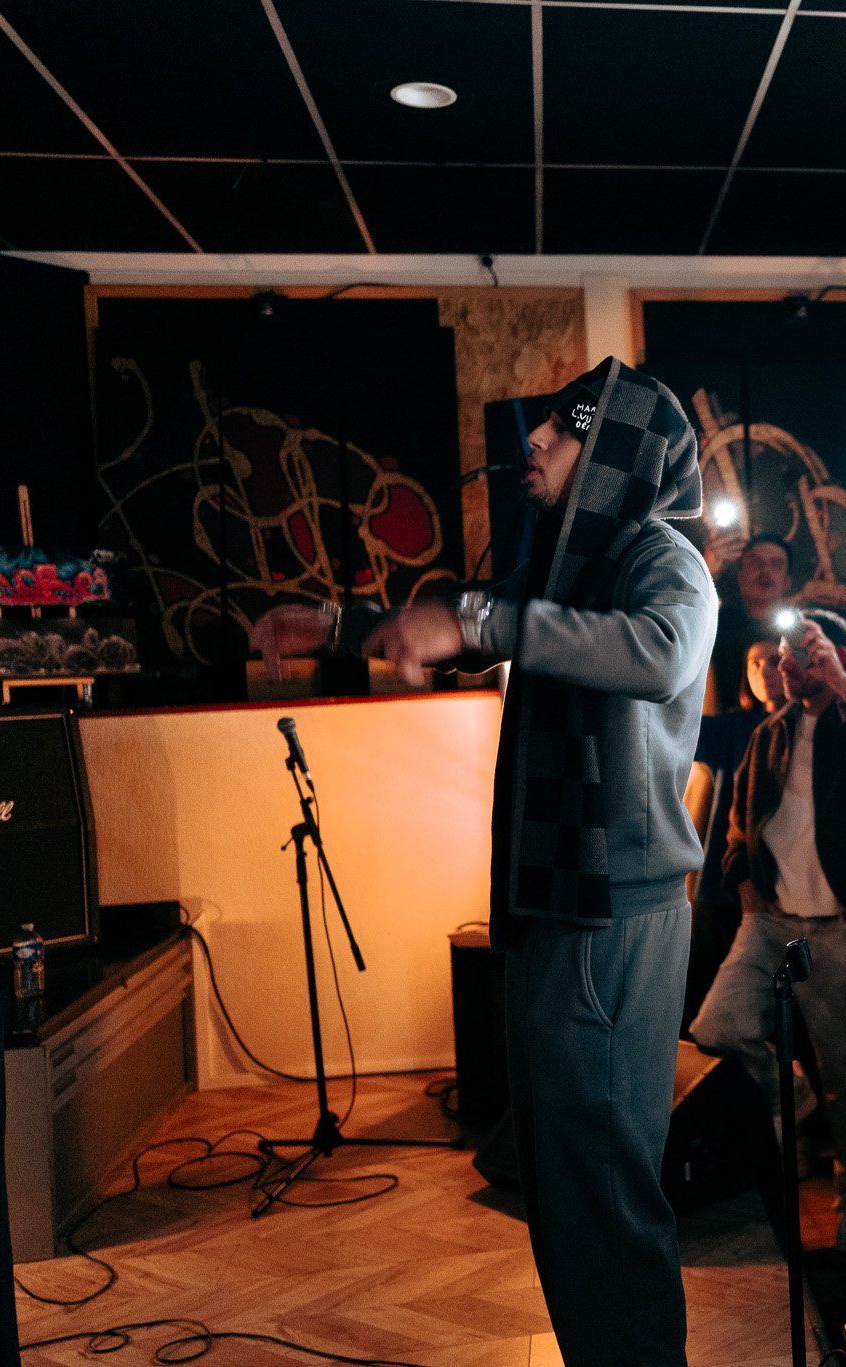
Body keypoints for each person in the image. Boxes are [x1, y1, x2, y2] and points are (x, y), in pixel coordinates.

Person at [251, 357, 715, 1367]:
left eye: (564, 430)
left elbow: (660, 652)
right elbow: (473, 619)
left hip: (610, 909)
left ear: (618, 457)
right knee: (561, 1178)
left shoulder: (661, 552)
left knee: (601, 1186)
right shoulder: (571, 561)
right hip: (564, 901)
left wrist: (478, 619)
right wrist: (341, 625)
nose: (534, 445)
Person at [689, 610, 846, 1253]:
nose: (782, 668)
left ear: (832, 654)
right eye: (779, 657)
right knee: (716, 1028)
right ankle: (796, 1093)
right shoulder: (770, 732)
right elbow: (737, 823)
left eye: (796, 656)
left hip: (845, 929)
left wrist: (843, 686)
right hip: (776, 923)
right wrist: (742, 878)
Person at [683, 638, 786, 1026]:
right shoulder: (733, 728)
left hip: (784, 891)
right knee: (711, 1003)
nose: (763, 672)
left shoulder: (809, 727)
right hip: (723, 886)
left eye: (773, 661)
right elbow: (677, 725)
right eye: (753, 664)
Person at [708, 533, 793, 714]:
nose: (765, 571)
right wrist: (706, 571)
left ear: (787, 582)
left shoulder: (800, 635)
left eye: (776, 564)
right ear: (740, 576)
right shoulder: (714, 625)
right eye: (755, 562)